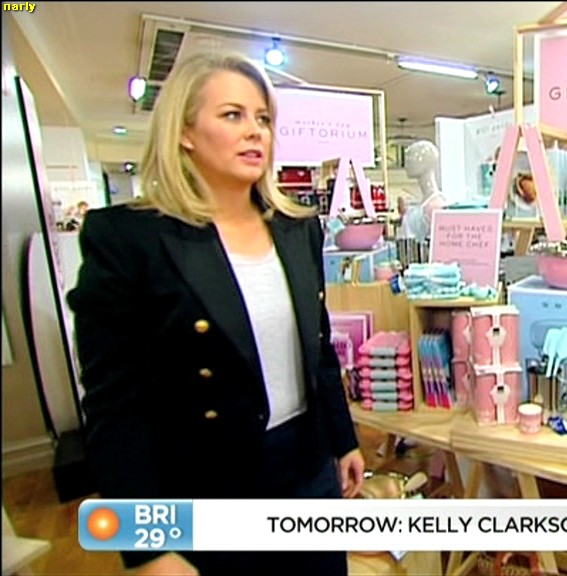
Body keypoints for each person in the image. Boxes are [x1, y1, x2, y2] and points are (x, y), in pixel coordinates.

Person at [67, 51, 365, 576]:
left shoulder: (297, 228)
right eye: (233, 115)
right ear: (184, 132)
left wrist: (343, 441)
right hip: (206, 483)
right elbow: (114, 409)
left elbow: (318, 351)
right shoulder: (131, 240)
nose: (255, 131)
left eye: (263, 118)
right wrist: (146, 545)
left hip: (306, 469)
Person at [397, 139, 448, 239]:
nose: (406, 163)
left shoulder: (435, 206)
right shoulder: (423, 202)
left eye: (411, 157)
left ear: (426, 162)